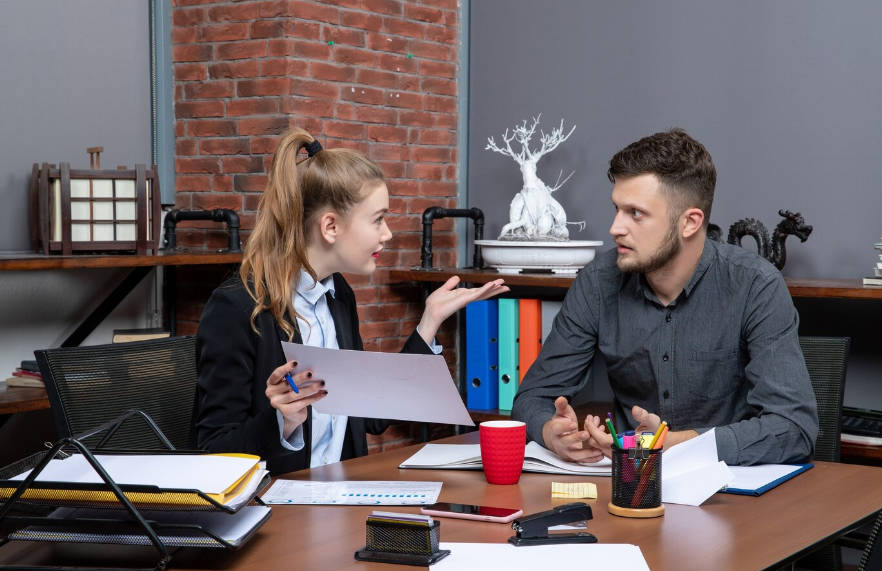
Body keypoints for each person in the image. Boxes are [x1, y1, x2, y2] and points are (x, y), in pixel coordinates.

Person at [192, 128, 508, 475]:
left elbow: (368, 416)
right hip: (275, 512)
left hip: (340, 500)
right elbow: (212, 453)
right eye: (378, 219)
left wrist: (429, 321)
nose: (387, 234)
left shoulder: (339, 294)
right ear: (330, 226)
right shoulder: (237, 308)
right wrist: (282, 420)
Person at [511, 128, 818, 466]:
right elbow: (533, 398)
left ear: (690, 222)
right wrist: (549, 431)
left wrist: (678, 444)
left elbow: (793, 429)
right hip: (629, 486)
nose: (615, 227)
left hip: (733, 495)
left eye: (636, 213)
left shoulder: (755, 285)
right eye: (617, 209)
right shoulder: (597, 283)